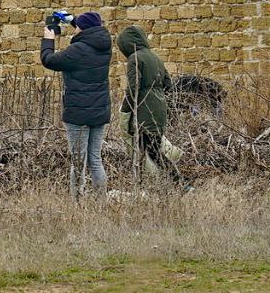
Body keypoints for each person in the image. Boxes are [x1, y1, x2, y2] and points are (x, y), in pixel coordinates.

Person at [41, 11, 112, 199]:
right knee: (95, 160)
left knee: (78, 162)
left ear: (83, 29)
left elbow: (48, 60)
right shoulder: (105, 46)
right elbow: (89, 34)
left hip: (78, 114)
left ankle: (77, 204)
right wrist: (73, 21)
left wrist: (49, 39)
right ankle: (101, 202)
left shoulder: (77, 51)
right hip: (99, 112)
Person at [116, 25, 188, 190]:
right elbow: (169, 85)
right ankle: (155, 186)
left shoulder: (135, 58)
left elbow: (132, 89)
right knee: (152, 149)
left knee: (151, 152)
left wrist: (126, 112)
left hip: (144, 112)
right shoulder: (156, 58)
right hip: (159, 110)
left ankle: (180, 183)